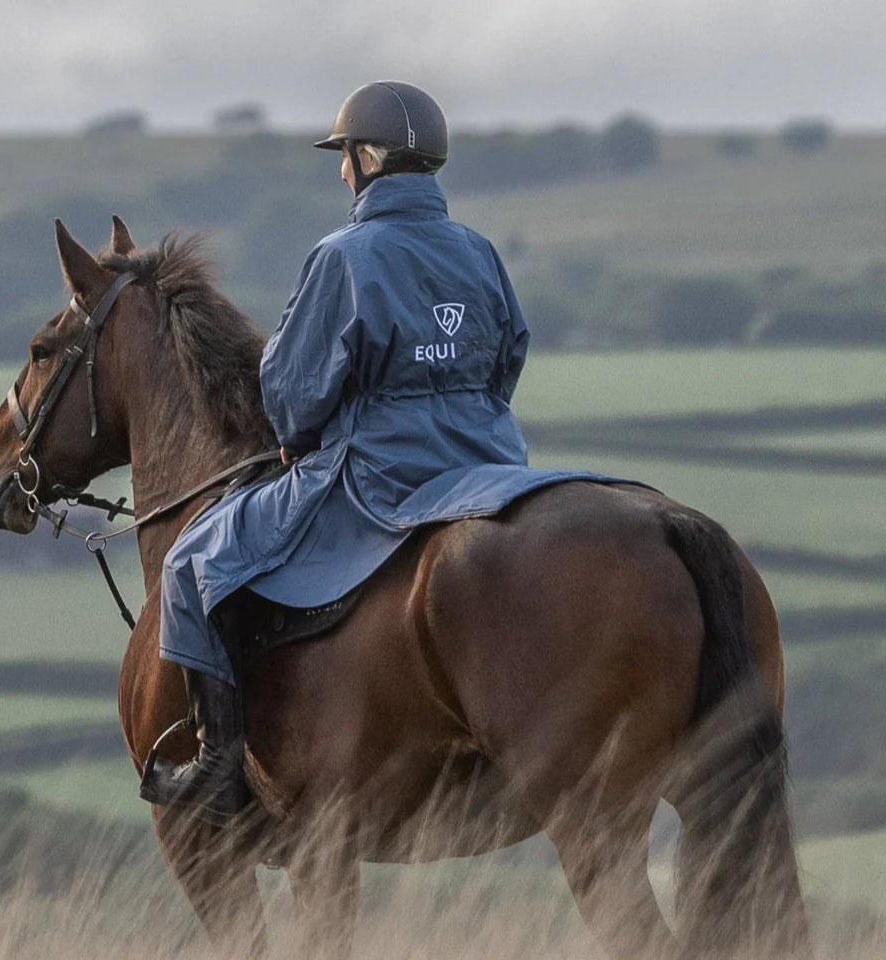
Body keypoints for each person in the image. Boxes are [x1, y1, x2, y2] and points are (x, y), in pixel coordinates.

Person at [140, 81, 610, 824]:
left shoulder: (344, 255)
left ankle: (218, 765)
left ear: (368, 157)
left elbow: (292, 389)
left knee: (190, 562)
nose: (340, 172)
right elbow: (509, 354)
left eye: (345, 157)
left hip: (376, 472)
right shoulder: (478, 249)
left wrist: (302, 443)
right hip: (485, 462)